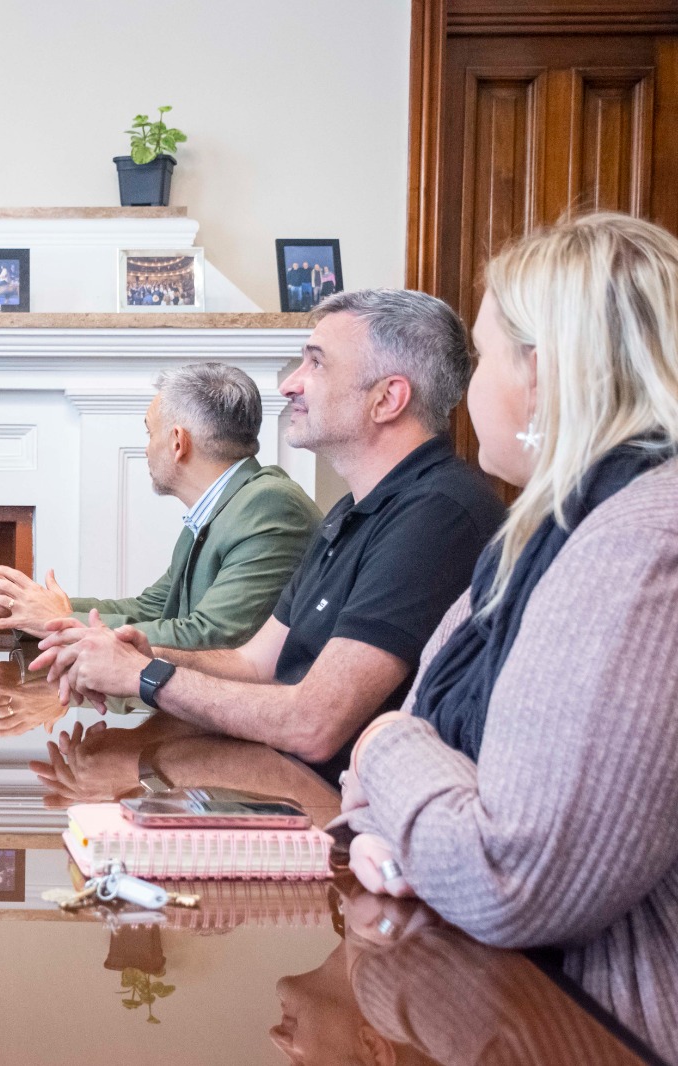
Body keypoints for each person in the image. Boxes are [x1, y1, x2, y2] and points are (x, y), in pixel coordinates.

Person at [336, 215, 678, 1051]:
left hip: (594, 1030)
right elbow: (381, 785)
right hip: (495, 996)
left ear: (545, 371)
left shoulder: (640, 546)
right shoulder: (534, 537)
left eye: (483, 357)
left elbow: (506, 876)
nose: (466, 390)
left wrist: (381, 747)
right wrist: (396, 819)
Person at [34, 289, 506, 780]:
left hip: (333, 807)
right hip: (281, 777)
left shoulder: (437, 516)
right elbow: (255, 664)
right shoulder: (352, 510)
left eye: (316, 363)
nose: (289, 385)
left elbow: (314, 724)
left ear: (386, 399)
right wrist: (144, 654)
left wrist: (144, 675)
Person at [0, 362, 320, 648]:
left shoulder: (269, 506)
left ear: (177, 442)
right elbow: (151, 608)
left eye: (149, 432)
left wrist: (57, 621)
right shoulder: (222, 507)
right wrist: (24, 605)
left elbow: (210, 637)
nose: (146, 448)